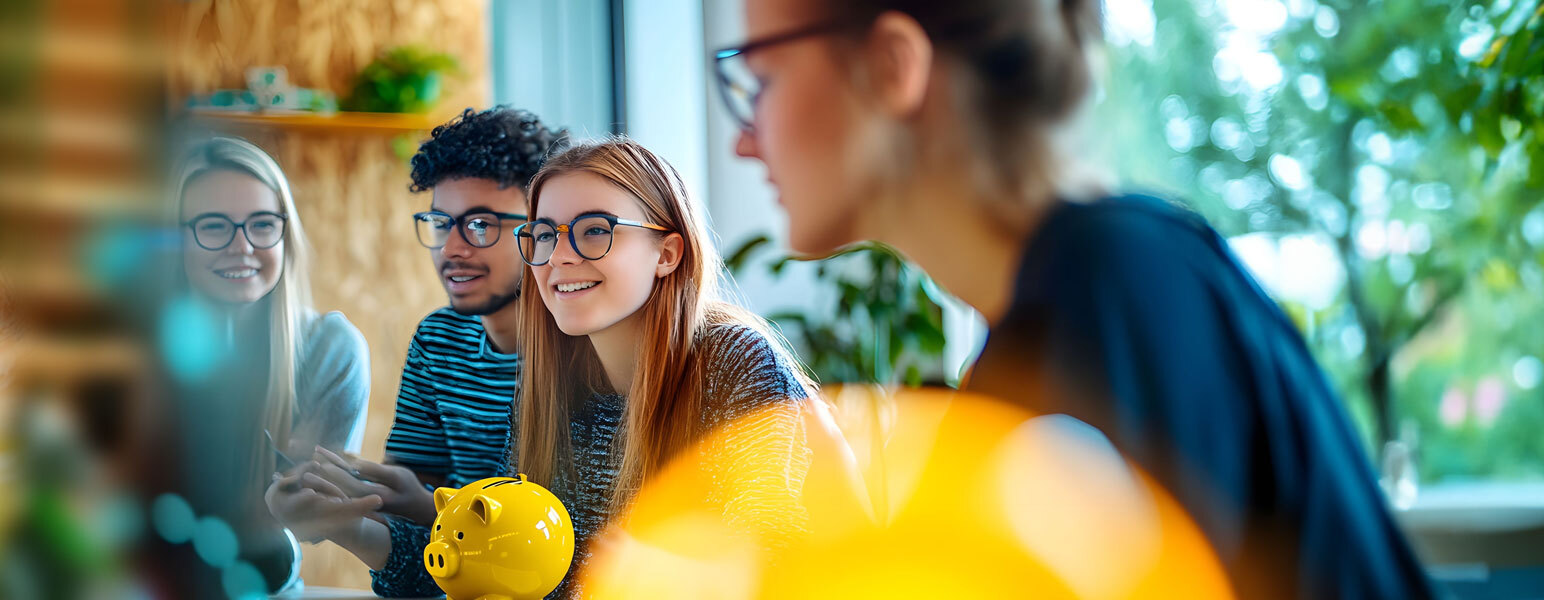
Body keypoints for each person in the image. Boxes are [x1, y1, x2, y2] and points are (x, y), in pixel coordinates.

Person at [717, 0, 1435, 597]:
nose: (743, 143)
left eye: (763, 79)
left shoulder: (1117, 288)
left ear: (890, 67)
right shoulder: (1069, 313)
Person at [261, 107, 569, 593]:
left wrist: (424, 506)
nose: (452, 248)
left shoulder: (584, 352)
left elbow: (552, 554)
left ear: (542, 231)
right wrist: (348, 509)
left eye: (481, 225)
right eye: (441, 222)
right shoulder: (439, 339)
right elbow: (424, 542)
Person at [511, 138, 816, 597]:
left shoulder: (735, 361)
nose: (558, 256)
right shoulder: (548, 377)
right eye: (545, 234)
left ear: (667, 254)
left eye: (594, 230)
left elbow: (781, 563)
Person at [153, 136, 371, 595]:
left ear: (284, 233)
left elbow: (300, 527)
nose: (243, 246)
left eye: (262, 224)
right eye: (214, 226)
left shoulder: (331, 349)